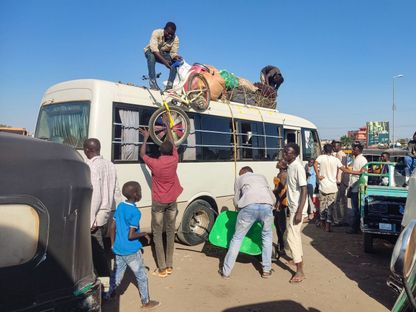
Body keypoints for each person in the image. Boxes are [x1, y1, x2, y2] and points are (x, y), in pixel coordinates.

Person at [139, 114, 183, 278]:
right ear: (171, 151)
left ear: (159, 151)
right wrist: (167, 126)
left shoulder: (155, 164)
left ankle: (162, 268)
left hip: (158, 202)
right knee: (171, 232)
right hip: (172, 201)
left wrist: (145, 139)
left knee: (157, 233)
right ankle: (170, 265)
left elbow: (142, 154)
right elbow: (171, 143)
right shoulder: (174, 160)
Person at [105, 181, 160, 309]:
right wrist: (144, 233)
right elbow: (131, 235)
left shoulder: (120, 207)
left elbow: (112, 226)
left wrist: (113, 244)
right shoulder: (135, 212)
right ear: (135, 194)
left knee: (116, 276)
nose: (141, 193)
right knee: (141, 276)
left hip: (118, 248)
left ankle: (107, 296)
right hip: (131, 251)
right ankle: (146, 302)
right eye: (139, 191)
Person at [219, 166, 276, 278]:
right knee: (267, 237)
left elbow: (236, 199)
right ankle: (266, 270)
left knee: (237, 238)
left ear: (243, 173)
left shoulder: (239, 179)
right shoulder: (262, 177)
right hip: (267, 207)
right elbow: (272, 197)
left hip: (248, 207)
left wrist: (239, 208)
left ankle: (226, 272)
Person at [83, 138, 118, 279]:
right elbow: (116, 190)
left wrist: (91, 220)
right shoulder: (110, 165)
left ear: (87, 150)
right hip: (107, 213)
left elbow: (95, 195)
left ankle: (106, 284)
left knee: (97, 253)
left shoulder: (91, 166)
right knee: (102, 250)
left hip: (96, 217)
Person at [283, 143, 308, 283]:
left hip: (298, 209)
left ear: (295, 154)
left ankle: (300, 271)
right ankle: (296, 259)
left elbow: (304, 190)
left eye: (288, 152)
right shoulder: (290, 166)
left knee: (292, 238)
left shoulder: (298, 167)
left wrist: (299, 211)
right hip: (293, 208)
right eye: (284, 152)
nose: (285, 154)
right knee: (294, 236)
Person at [339, 143, 368, 234]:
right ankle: (356, 227)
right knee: (355, 209)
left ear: (358, 150)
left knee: (356, 210)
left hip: (358, 187)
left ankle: (355, 228)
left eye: (353, 150)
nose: (352, 151)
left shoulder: (362, 159)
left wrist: (348, 171)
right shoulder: (356, 159)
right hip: (353, 186)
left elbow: (362, 172)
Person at [314, 144, 343, 232]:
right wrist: (356, 172)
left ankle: (322, 224)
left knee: (322, 206)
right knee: (331, 207)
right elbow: (344, 169)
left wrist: (318, 175)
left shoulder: (320, 157)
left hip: (323, 186)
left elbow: (315, 164)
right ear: (332, 150)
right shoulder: (336, 159)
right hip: (333, 187)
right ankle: (328, 226)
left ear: (324, 150)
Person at [144, 22, 181, 91]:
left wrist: (176, 57)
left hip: (163, 54)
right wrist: (165, 62)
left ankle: (169, 86)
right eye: (168, 33)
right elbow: (154, 50)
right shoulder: (156, 32)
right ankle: (153, 82)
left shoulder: (176, 39)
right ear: (164, 29)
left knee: (175, 62)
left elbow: (173, 53)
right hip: (150, 51)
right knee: (151, 57)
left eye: (171, 34)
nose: (169, 36)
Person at [273, 159, 288, 256]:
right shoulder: (281, 174)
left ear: (283, 166)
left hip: (281, 203)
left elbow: (280, 188)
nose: (277, 163)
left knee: (281, 225)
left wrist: (273, 191)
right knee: (278, 224)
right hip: (279, 202)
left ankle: (282, 246)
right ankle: (280, 244)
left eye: (279, 162)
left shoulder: (283, 175)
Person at [332, 140, 349, 225]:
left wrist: (338, 180)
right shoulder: (339, 154)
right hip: (341, 181)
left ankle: (340, 220)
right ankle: (341, 219)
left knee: (339, 201)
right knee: (341, 201)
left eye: (335, 146)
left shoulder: (341, 155)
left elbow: (342, 169)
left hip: (341, 181)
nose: (334, 148)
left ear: (339, 146)